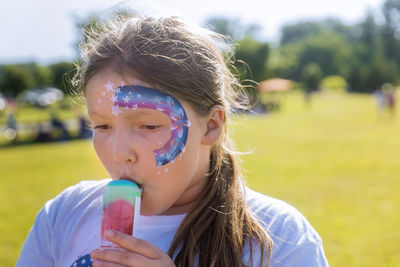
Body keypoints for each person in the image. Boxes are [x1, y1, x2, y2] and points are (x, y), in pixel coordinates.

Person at [17, 15, 328, 267]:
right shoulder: (63, 216)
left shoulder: (279, 239)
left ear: (211, 126)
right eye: (102, 125)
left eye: (149, 125)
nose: (118, 153)